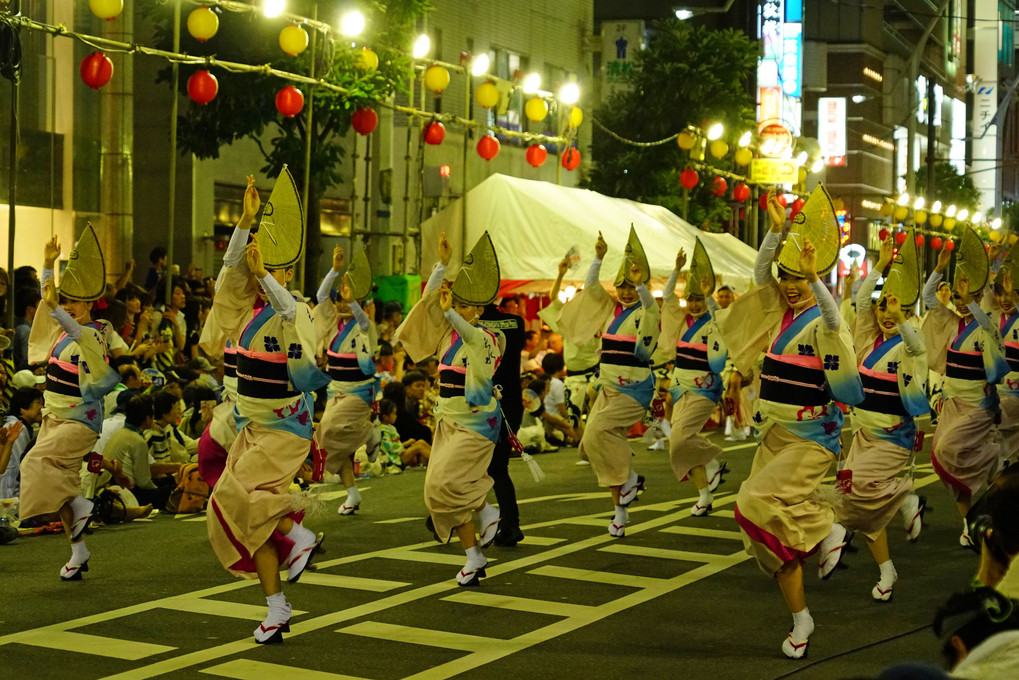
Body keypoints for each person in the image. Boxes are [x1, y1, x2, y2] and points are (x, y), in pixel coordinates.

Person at [720, 187, 864, 658]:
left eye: (799, 278)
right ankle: (801, 619)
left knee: (751, 502)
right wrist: (777, 233)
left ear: (818, 275)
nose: (790, 284)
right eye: (787, 277)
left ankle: (825, 527)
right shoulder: (778, 311)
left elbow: (832, 314)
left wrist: (815, 279)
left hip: (810, 439)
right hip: (774, 435)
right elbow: (761, 275)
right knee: (762, 532)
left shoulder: (823, 322)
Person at [200, 171, 330, 644]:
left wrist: (263, 276)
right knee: (241, 514)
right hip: (253, 429)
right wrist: (245, 223)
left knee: (238, 501)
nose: (255, 271)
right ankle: (277, 606)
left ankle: (296, 537)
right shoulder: (246, 310)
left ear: (288, 272)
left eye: (272, 267)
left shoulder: (297, 308)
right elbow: (226, 278)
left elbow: (294, 316)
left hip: (284, 432)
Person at [394, 231, 505, 586]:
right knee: (436, 491)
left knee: (446, 483)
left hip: (477, 423)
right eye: (455, 303)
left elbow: (471, 335)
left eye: (465, 305)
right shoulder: (446, 334)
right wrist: (441, 266)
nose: (456, 309)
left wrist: (451, 314)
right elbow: (428, 306)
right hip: (449, 420)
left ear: (481, 309)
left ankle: (486, 509)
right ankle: (474, 555)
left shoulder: (489, 337)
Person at [833, 234, 930, 602]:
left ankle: (905, 495)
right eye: (883, 310)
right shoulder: (868, 338)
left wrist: (903, 319)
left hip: (893, 438)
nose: (887, 315)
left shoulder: (910, 336)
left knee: (855, 494)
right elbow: (860, 302)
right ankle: (887, 570)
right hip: (863, 437)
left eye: (897, 309)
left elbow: (919, 348)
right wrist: (879, 266)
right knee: (861, 509)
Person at [20, 228, 120, 580]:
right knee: (59, 483)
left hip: (80, 421)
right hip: (54, 417)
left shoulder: (94, 331)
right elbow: (51, 314)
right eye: (66, 301)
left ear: (90, 303)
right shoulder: (62, 328)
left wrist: (54, 306)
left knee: (36, 463)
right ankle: (78, 551)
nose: (69, 307)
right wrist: (48, 265)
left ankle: (80, 506)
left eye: (75, 302)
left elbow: (65, 321)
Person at [556, 228, 659, 537]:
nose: (626, 292)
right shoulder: (610, 308)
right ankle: (619, 511)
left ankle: (630, 478)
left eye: (632, 286)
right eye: (622, 286)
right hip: (608, 386)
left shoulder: (646, 310)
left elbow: (652, 307)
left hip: (634, 388)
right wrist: (598, 259)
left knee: (600, 433)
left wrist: (641, 285)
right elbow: (590, 286)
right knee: (589, 444)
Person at [924, 228, 1008, 545]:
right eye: (957, 298)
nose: (960, 304)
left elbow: (986, 323)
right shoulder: (950, 323)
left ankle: (995, 464)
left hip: (978, 408)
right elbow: (931, 299)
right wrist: (939, 267)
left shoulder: (986, 324)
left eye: (967, 298)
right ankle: (968, 523)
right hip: (952, 406)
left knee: (948, 452)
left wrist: (974, 299)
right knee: (950, 470)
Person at [659, 240, 729, 516]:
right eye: (692, 298)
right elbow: (666, 298)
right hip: (680, 387)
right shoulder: (681, 320)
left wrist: (708, 291)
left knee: (679, 440)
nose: (695, 303)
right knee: (682, 444)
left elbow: (717, 311)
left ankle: (712, 458)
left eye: (700, 299)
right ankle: (704, 494)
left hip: (705, 389)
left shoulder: (715, 321)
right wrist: (676, 270)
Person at [313, 242, 380, 515]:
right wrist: (335, 269)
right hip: (335, 390)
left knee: (326, 429)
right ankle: (352, 495)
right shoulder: (333, 323)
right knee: (337, 449)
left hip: (359, 392)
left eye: (347, 302)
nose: (341, 306)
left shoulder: (365, 327)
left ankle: (370, 431)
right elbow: (319, 297)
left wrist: (353, 300)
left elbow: (364, 323)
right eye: (339, 300)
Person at [479, 298, 527, 546]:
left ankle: (444, 517)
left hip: (480, 404)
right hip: (511, 403)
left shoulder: (468, 324)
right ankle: (510, 525)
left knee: (464, 464)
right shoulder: (517, 322)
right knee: (498, 467)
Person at [539, 257, 601, 425]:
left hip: (596, 374)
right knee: (574, 419)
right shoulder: (568, 320)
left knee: (597, 415)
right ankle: (586, 445)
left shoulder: (601, 319)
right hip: (574, 376)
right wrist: (560, 274)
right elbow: (554, 298)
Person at [103, 394, 176, 510]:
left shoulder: (120, 433)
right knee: (170, 488)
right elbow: (144, 482)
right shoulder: (137, 440)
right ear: (147, 419)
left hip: (114, 488)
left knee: (167, 482)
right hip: (129, 493)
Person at [1, 388, 39, 498]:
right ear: (22, 408)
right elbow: (22, 465)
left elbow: (1, 468)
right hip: (9, 491)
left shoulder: (15, 428)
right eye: (38, 403)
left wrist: (6, 444)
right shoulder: (15, 427)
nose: (42, 407)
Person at [377, 398, 429, 470]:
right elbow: (390, 447)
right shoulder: (382, 431)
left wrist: (406, 445)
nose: (396, 416)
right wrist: (406, 444)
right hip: (394, 458)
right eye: (394, 413)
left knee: (421, 442)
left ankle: (439, 457)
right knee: (419, 447)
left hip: (398, 453)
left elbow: (395, 443)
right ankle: (437, 462)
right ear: (385, 416)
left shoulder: (390, 427)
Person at [13, 286, 40, 371]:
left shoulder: (29, 327)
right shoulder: (24, 330)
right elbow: (29, 360)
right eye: (39, 307)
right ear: (30, 309)